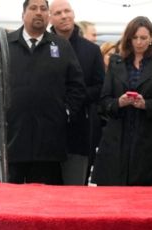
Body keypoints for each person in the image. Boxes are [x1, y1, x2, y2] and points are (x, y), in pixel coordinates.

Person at [0, 0, 86, 185]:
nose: (39, 13)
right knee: (10, 204)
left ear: (48, 16)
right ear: (23, 14)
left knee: (46, 205)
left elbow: (77, 86)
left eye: (43, 9)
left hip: (49, 144)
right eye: (33, 8)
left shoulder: (61, 46)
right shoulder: (5, 45)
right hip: (11, 141)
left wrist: (65, 112)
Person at [92, 16, 152, 186]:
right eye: (134, 38)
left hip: (148, 141)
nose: (139, 42)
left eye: (143, 38)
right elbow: (104, 102)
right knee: (113, 194)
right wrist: (120, 102)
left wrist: (146, 104)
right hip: (117, 140)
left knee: (144, 195)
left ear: (151, 38)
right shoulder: (116, 62)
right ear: (128, 38)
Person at [50, 0, 105, 185]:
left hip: (78, 130)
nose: (64, 16)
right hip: (44, 133)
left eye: (67, 11)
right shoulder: (40, 47)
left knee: (75, 191)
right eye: (58, 13)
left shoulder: (91, 50)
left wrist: (74, 100)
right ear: (50, 18)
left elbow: (100, 86)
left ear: (74, 14)